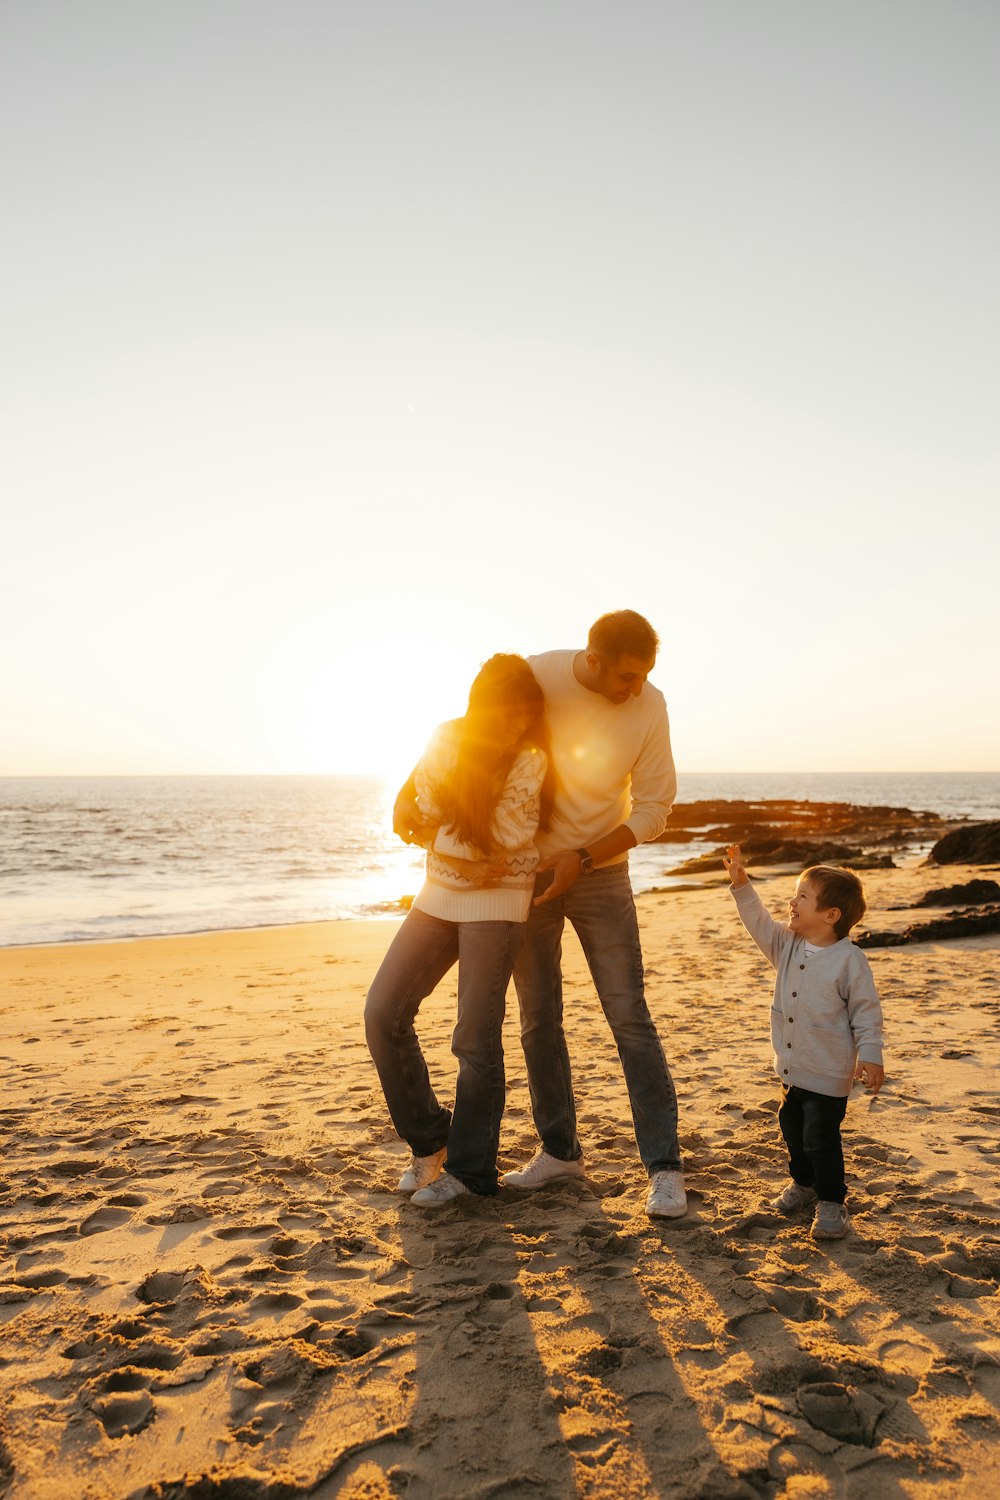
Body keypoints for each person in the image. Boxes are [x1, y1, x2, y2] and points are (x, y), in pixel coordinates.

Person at [502, 610, 687, 1220]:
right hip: (526, 876)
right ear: (593, 657)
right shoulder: (536, 675)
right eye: (627, 676)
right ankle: (559, 1152)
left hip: (599, 873)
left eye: (644, 677)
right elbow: (489, 753)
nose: (634, 689)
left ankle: (664, 1169)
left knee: (629, 1015)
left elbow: (656, 806)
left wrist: (581, 857)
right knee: (537, 1019)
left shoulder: (649, 704)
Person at [366, 654, 552, 1209]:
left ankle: (471, 1172)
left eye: (526, 714)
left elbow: (512, 832)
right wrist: (461, 849)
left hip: (498, 903)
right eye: (507, 713)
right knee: (383, 1012)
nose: (516, 724)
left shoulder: (531, 757)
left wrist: (453, 840)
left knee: (474, 1039)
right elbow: (423, 807)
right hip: (440, 893)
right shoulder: (446, 737)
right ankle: (430, 1142)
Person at [722, 843, 885, 1241]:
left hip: (828, 1072)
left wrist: (871, 1054)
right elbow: (758, 920)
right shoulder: (787, 945)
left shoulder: (850, 961)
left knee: (820, 1137)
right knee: (792, 1130)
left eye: (802, 897)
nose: (791, 902)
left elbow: (866, 1011)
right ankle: (805, 1184)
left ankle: (832, 1202)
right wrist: (742, 883)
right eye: (795, 894)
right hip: (792, 1069)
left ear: (831, 915)